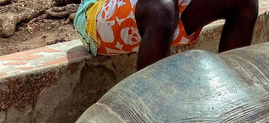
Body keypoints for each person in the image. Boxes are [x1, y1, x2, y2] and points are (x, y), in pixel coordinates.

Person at [74, 0, 259, 70]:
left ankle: (231, 100)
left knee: (243, 2)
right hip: (99, 14)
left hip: (167, 11)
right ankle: (148, 121)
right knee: (161, 8)